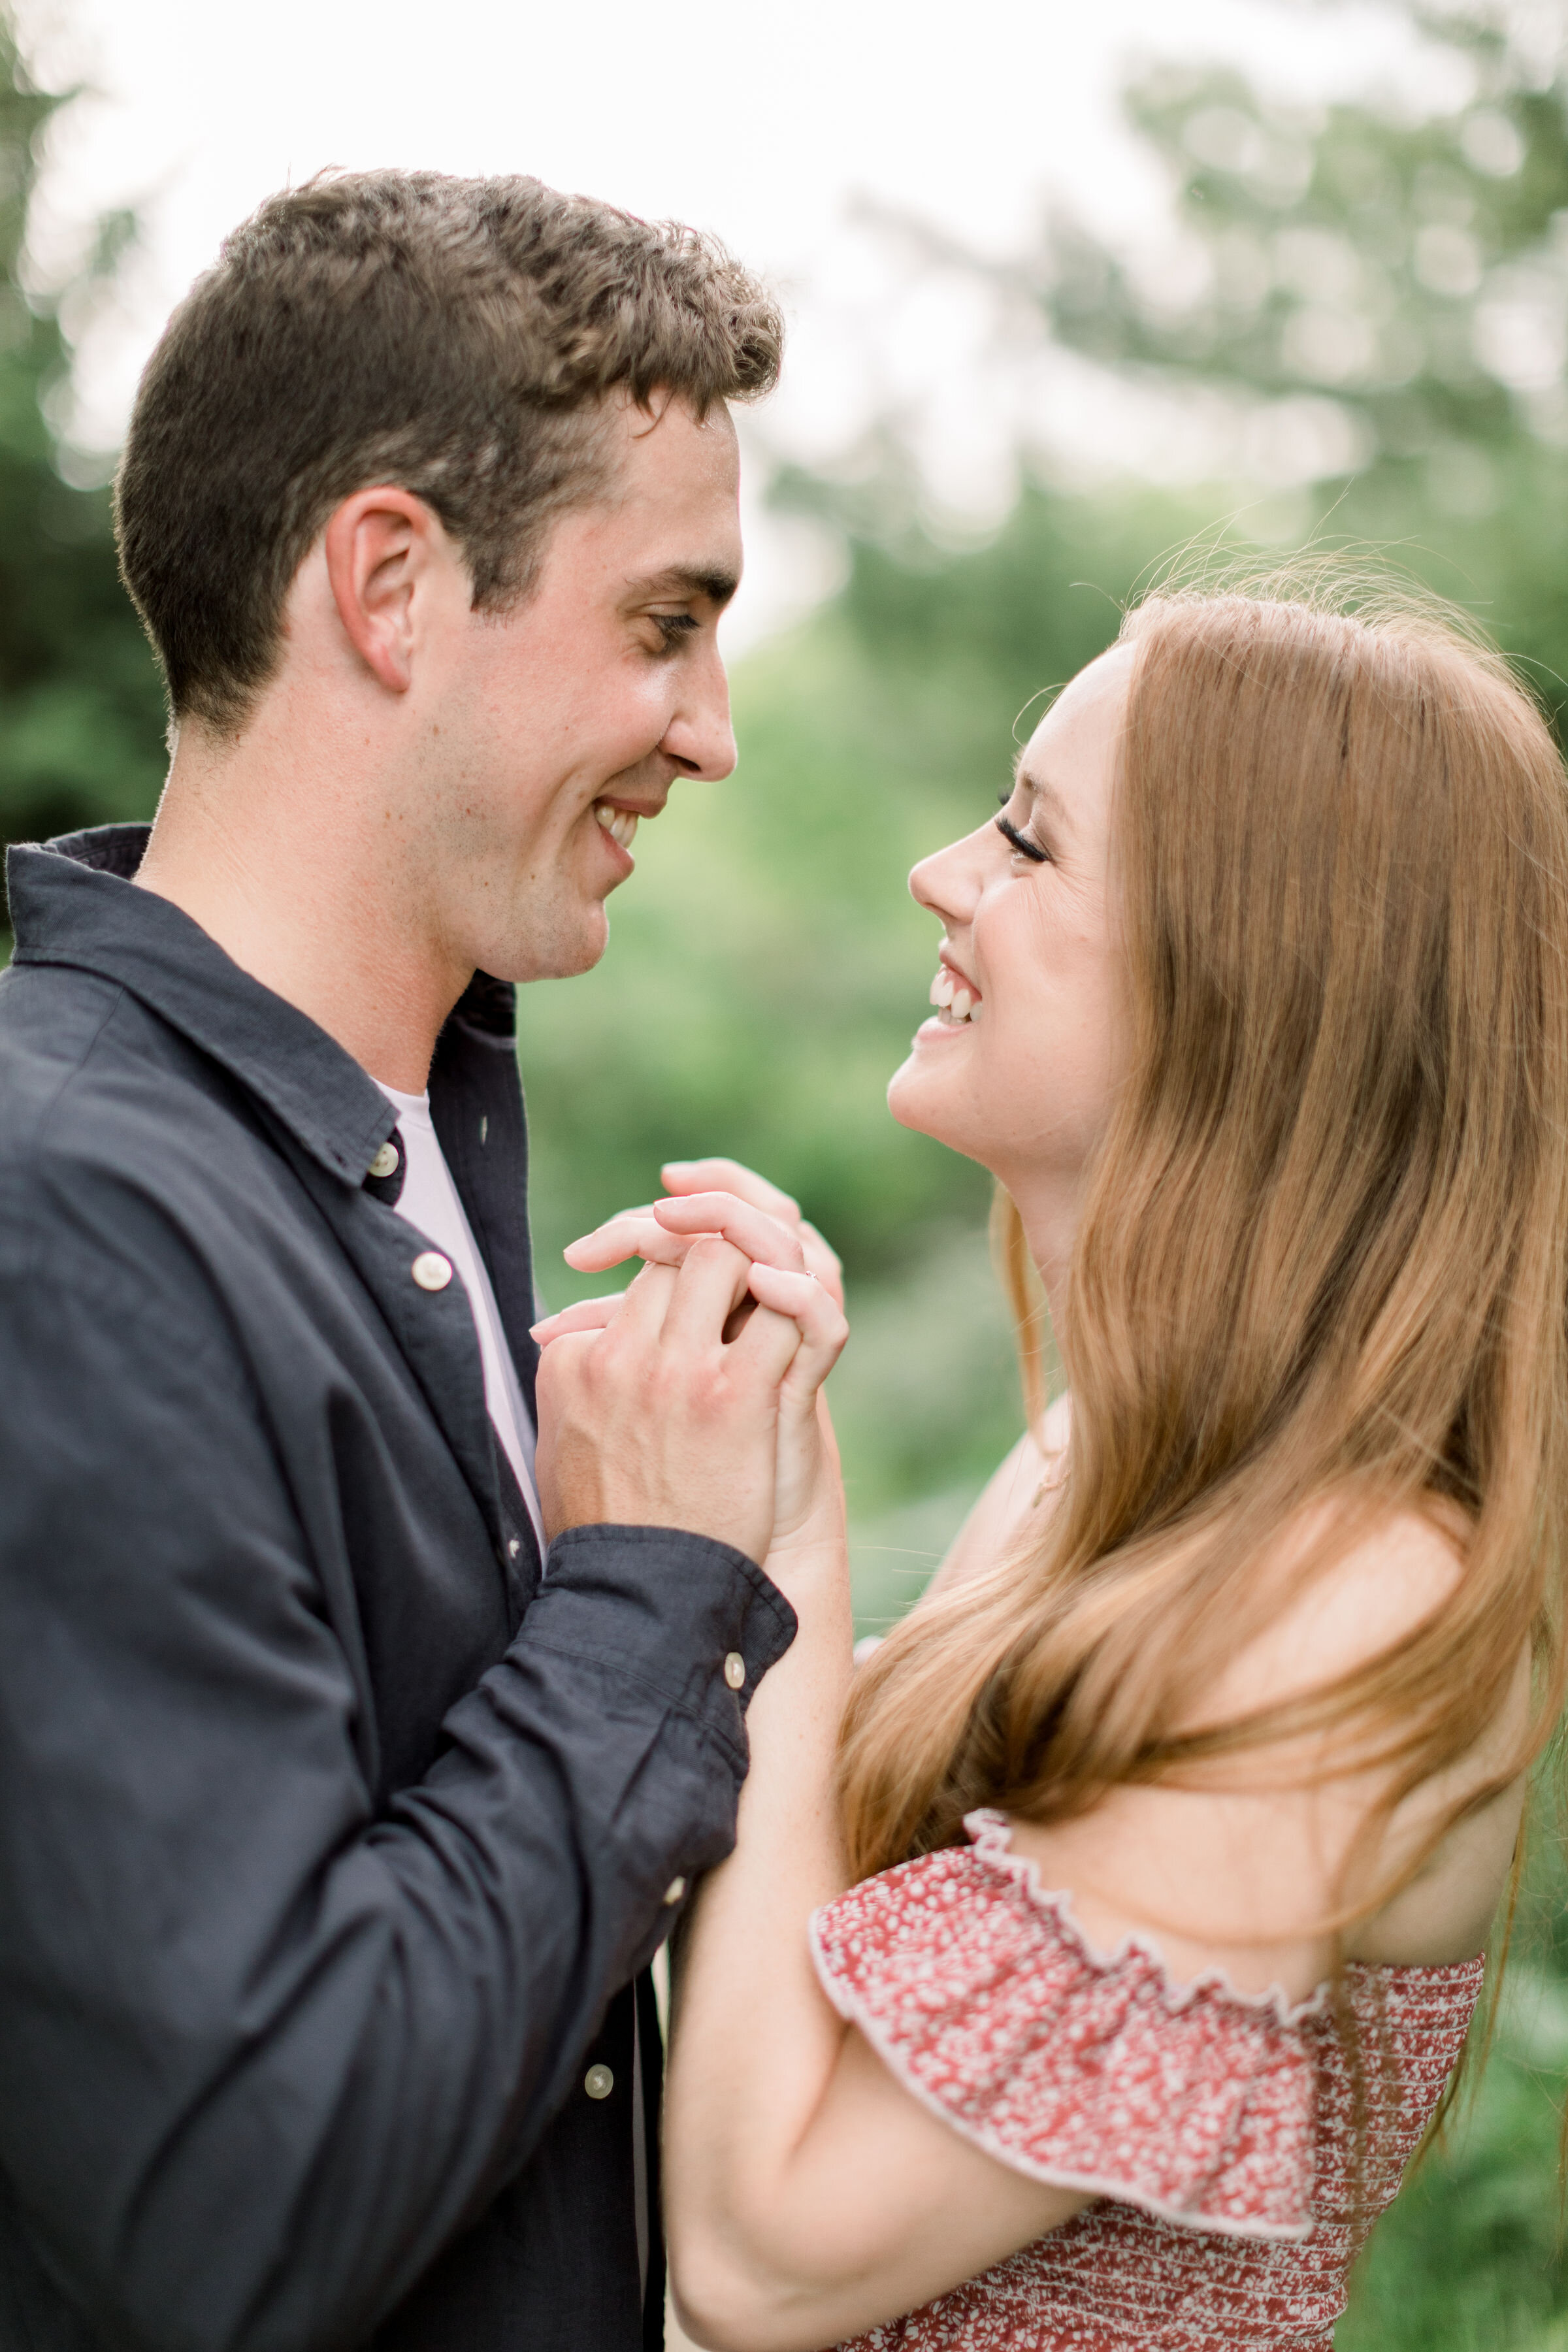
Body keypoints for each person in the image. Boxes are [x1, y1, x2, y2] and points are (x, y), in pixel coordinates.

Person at [542, 581, 1568, 2351]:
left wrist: (767, 1554)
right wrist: (761, 1470)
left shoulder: (1357, 1593)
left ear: (1254, 975)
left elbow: (768, 2252)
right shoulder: (1104, 1468)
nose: (947, 873)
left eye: (1030, 840)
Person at [0, 169, 821, 2352]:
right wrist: (649, 1594)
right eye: (664, 622)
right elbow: (240, 2204)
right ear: (390, 582)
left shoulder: (399, 1166)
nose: (712, 728)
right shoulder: (59, 1217)